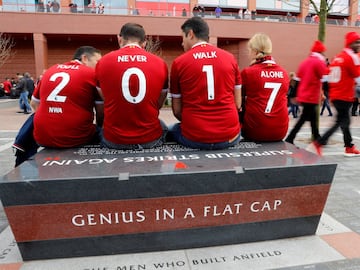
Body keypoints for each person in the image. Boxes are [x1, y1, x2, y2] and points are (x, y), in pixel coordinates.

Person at [169, 17, 241, 150]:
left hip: (194, 137)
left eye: (182, 38)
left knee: (170, 128)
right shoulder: (230, 58)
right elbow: (237, 104)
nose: (181, 43)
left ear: (190, 34)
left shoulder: (179, 62)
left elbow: (177, 111)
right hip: (229, 136)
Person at [95, 23, 169, 150]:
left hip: (114, 140)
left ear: (119, 38)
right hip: (150, 139)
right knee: (164, 126)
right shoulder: (160, 63)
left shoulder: (103, 62)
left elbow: (105, 99)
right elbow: (159, 103)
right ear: (144, 43)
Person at [30, 46, 103, 148]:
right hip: (76, 137)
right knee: (107, 135)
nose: (99, 66)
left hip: (42, 137)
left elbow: (34, 103)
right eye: (97, 62)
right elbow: (101, 112)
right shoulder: (91, 74)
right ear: (85, 58)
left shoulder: (50, 71)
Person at [311, 32, 360, 157]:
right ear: (350, 43)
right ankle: (319, 143)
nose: (358, 45)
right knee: (340, 121)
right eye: (356, 42)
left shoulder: (337, 57)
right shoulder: (351, 57)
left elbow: (326, 76)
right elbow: (358, 77)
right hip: (345, 95)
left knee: (345, 121)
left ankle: (349, 146)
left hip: (336, 94)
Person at [240, 33, 289, 142]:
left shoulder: (248, 72)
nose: (248, 53)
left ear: (255, 51)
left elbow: (238, 103)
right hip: (280, 131)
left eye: (249, 50)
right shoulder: (284, 73)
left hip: (254, 131)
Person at [285, 40, 327, 145]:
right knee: (303, 118)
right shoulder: (319, 62)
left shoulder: (304, 62)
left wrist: (293, 94)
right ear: (320, 52)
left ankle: (316, 136)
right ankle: (290, 137)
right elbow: (324, 77)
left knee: (311, 117)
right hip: (312, 95)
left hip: (303, 95)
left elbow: (296, 79)